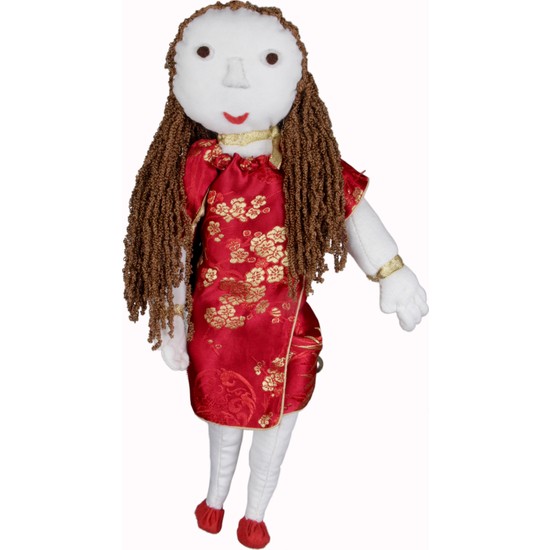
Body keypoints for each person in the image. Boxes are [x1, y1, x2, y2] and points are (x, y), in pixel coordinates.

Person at [123, 2, 428, 548]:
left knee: (280, 427)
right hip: (216, 326)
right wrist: (171, 318)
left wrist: (392, 272)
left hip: (286, 327)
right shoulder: (197, 166)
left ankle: (255, 511)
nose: (236, 82)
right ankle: (215, 497)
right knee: (223, 422)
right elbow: (170, 247)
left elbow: (353, 213)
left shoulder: (304, 163)